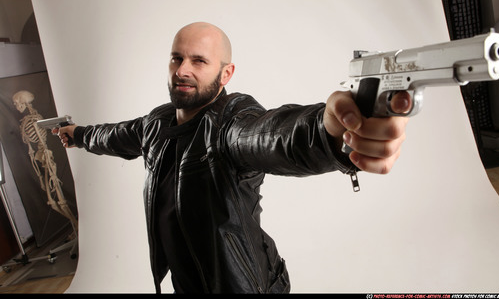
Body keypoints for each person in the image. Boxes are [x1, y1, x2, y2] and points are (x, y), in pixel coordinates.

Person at [54, 21, 411, 294]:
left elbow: (273, 136)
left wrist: (330, 133)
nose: (182, 70)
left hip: (243, 286)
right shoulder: (156, 123)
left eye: (199, 61)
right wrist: (78, 134)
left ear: (226, 73)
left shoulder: (231, 122)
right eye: (177, 58)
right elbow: (115, 135)